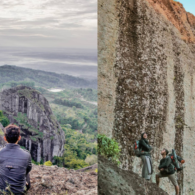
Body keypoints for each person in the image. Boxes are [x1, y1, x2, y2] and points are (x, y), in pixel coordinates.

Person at [0, 124, 32, 195]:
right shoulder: (26, 155)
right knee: (25, 171)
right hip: (19, 192)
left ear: (5, 138)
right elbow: (28, 170)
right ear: (19, 138)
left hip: (2, 192)